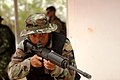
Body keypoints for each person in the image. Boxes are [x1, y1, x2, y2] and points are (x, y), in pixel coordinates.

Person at [7, 13, 77, 80]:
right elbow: (11, 73)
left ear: (49, 32)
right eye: (33, 35)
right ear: (28, 35)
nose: (38, 39)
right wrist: (29, 63)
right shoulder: (24, 45)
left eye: (42, 34)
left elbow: (72, 76)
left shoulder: (63, 43)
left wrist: (55, 69)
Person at [0, 16, 15, 80]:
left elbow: (7, 45)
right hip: (1, 53)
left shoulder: (4, 29)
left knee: (1, 71)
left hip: (6, 54)